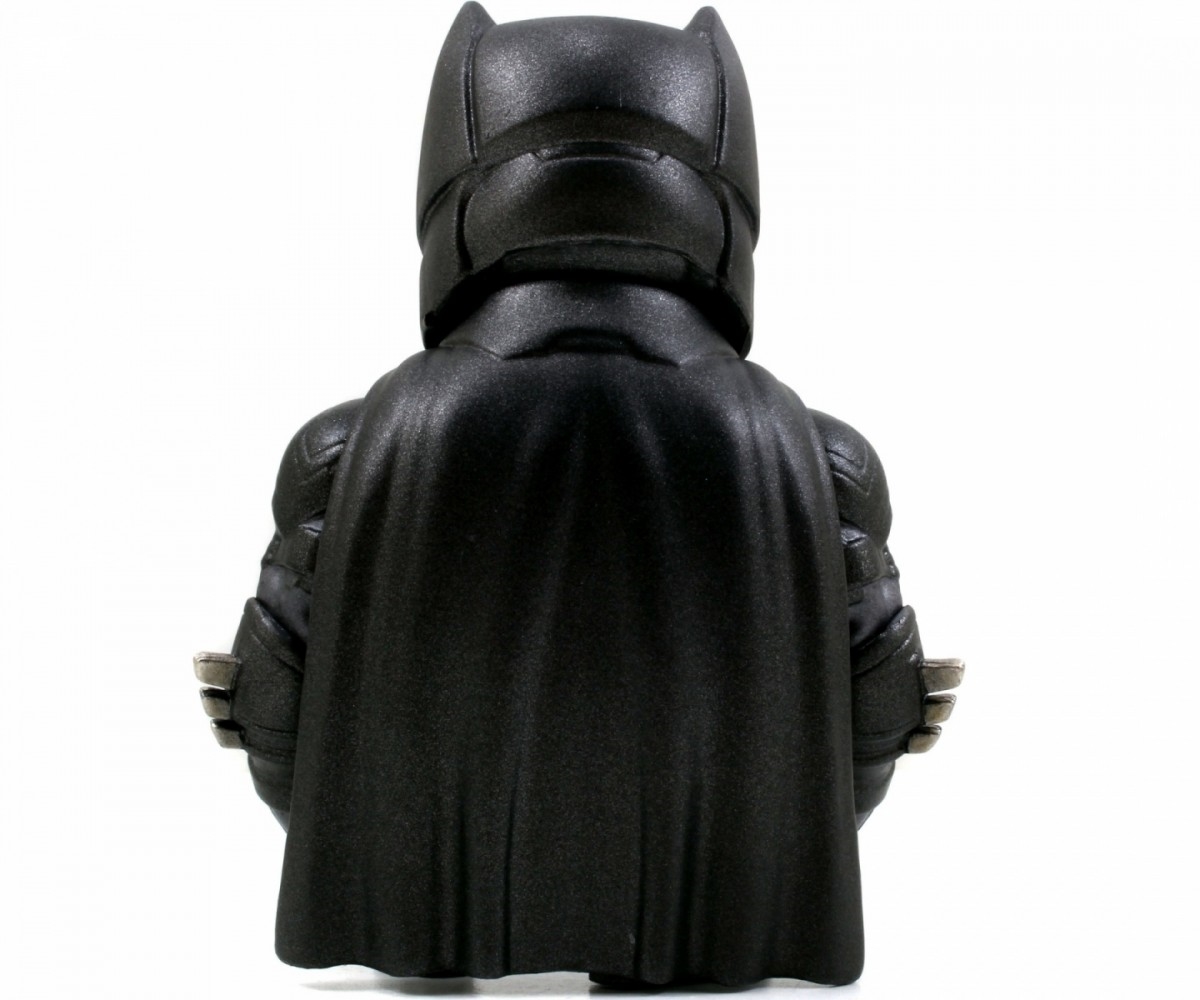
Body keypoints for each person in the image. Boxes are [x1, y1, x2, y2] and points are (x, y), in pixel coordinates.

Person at [195, 4, 961, 986]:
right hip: (711, 928)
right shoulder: (820, 463)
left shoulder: (347, 455)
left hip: (428, 929)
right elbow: (858, 744)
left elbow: (282, 732)